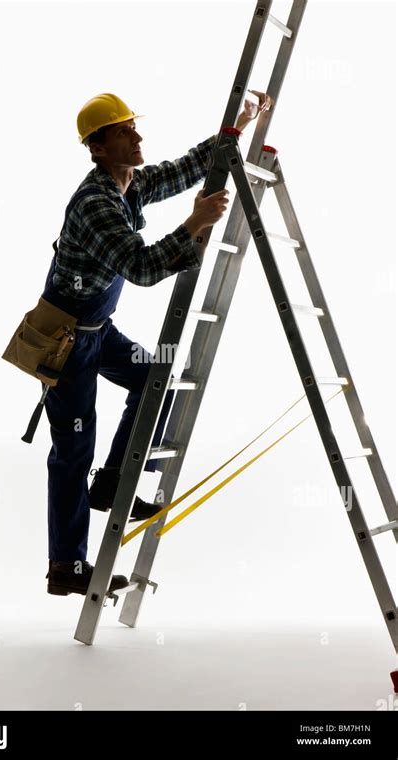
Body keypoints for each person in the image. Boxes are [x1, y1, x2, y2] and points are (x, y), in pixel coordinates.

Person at [42, 90, 272, 597]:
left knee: (154, 378)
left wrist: (240, 124)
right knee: (72, 450)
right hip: (63, 339)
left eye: (133, 127)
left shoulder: (130, 185)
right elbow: (143, 269)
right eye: (125, 131)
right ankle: (66, 566)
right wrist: (195, 222)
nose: (137, 135)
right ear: (99, 147)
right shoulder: (95, 203)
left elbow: (186, 167)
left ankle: (114, 480)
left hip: (96, 330)